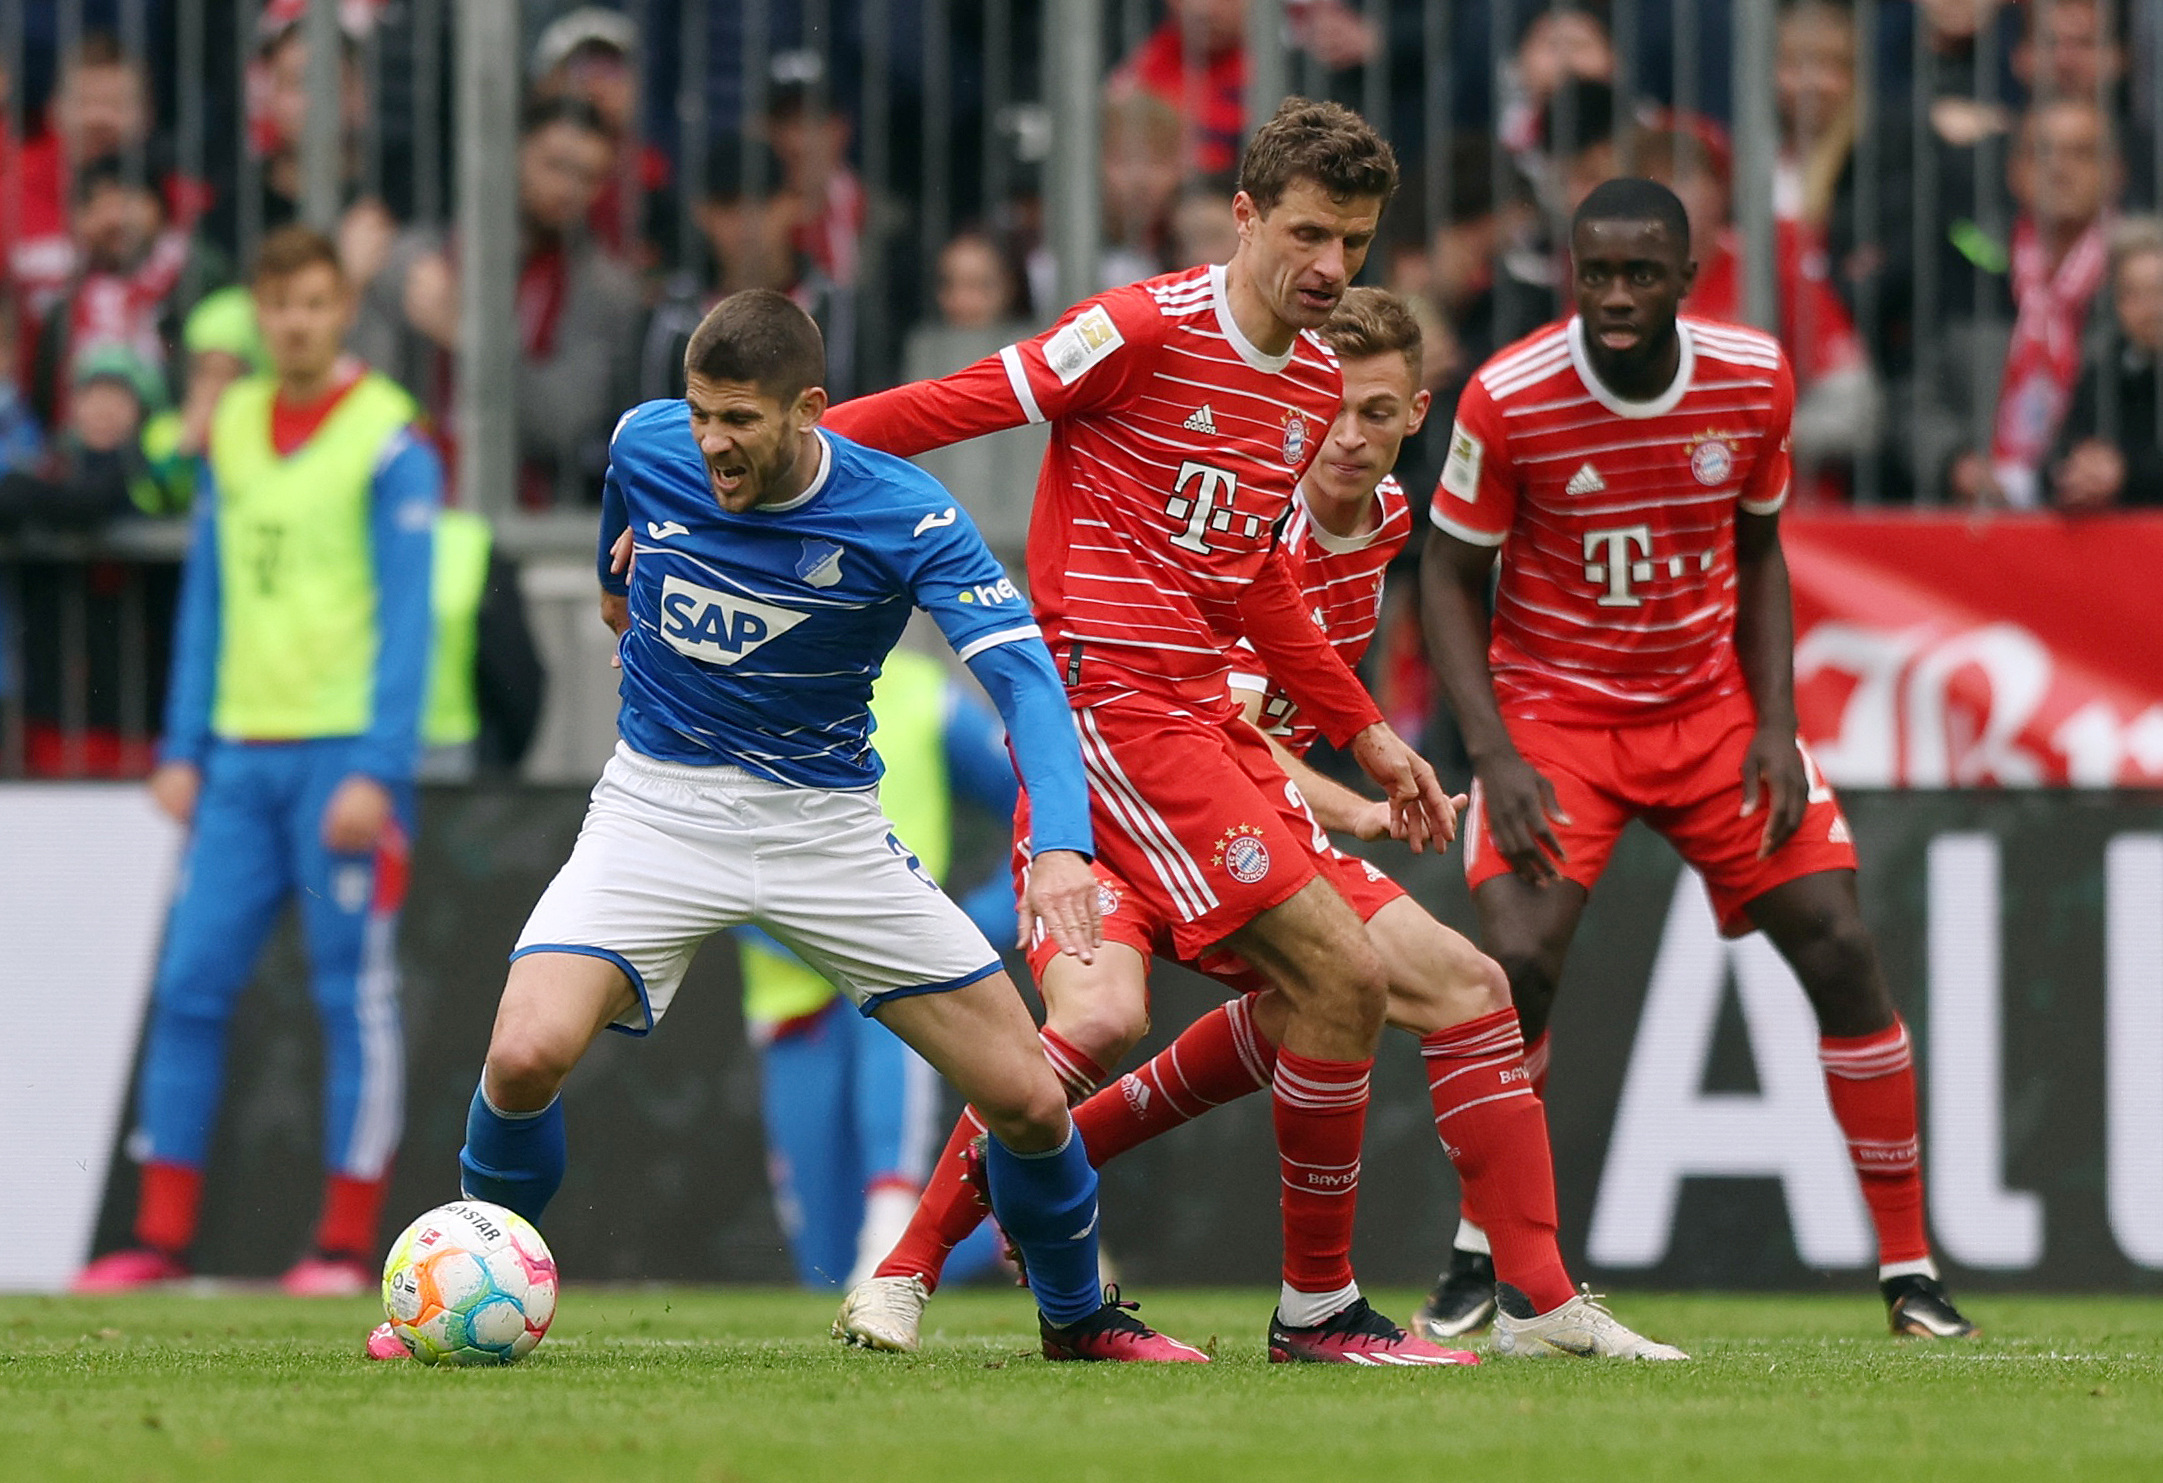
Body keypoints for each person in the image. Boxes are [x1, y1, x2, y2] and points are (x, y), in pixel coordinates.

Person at [837, 287, 1684, 1362]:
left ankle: (1537, 1297)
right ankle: (918, 1263)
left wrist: (1363, 751)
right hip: (1149, 796)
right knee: (1140, 1013)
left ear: (1415, 415)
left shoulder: (1381, 526)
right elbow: (1231, 724)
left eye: (1378, 414)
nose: (1347, 436)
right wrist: (1361, 801)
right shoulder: (1253, 505)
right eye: (1334, 406)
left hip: (1235, 806)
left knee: (1444, 993)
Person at [363, 289, 1205, 1365]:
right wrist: (614, 585)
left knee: (1030, 1099)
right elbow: (623, 505)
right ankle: (457, 1280)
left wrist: (1061, 846)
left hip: (827, 832)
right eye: (701, 413)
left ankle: (1080, 1316)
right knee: (523, 1051)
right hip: (658, 808)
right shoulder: (649, 442)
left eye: (741, 422)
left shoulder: (907, 513)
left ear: (810, 409)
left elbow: (1029, 681)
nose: (712, 444)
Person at [823, 98, 1484, 1366]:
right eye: (1306, 233)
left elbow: (1246, 584)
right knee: (1344, 977)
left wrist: (1369, 735)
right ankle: (1321, 1316)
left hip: (1192, 718)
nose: (1329, 268)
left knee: (1120, 1019)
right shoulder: (1135, 330)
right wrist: (745, 483)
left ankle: (908, 1271)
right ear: (1243, 216)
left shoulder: (1304, 384)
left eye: (1353, 241)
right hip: (1114, 705)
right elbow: (950, 406)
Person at [1417, 177, 1979, 1342]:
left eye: (1639, 274)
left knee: (1838, 938)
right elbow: (1445, 574)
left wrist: (1775, 722)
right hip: (1557, 718)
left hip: (1708, 712)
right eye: (1596, 273)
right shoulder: (1510, 394)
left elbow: (1763, 552)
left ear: (1687, 274)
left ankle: (1911, 1270)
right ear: (1573, 272)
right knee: (1514, 959)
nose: (1614, 296)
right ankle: (1486, 1247)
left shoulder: (1752, 375)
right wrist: (1495, 750)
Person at [73, 225, 441, 1295]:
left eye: (316, 303)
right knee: (188, 986)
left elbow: (409, 617)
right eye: (278, 303)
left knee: (350, 996)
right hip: (237, 756)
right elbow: (211, 595)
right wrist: (182, 741)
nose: (295, 322)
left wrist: (381, 762)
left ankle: (338, 1247)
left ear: (341, 310)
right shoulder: (229, 425)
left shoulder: (389, 439)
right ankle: (159, 1236)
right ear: (260, 312)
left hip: (341, 761)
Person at [744, 642, 1019, 1289]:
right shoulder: (745, 689)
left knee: (881, 1228)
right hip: (791, 1003)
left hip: (892, 971)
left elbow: (1032, 795)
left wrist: (980, 921)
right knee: (827, 1266)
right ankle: (1019, 1231)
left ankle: (900, 1208)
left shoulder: (924, 695)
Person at [1904, 96, 2119, 506]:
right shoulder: (1963, 259)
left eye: (2082, 154)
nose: (2059, 169)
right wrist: (1954, 461)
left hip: (2109, 526)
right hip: (1974, 518)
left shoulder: (2140, 272)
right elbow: (1911, 391)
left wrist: (2120, 464)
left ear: (2117, 171)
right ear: (2013, 170)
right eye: (2041, 153)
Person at [2048, 216, 2163, 510]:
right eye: (2131, 293)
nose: (2150, 309)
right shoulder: (2105, 375)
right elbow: (2052, 462)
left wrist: (2125, 476)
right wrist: (2078, 474)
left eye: (2158, 290)